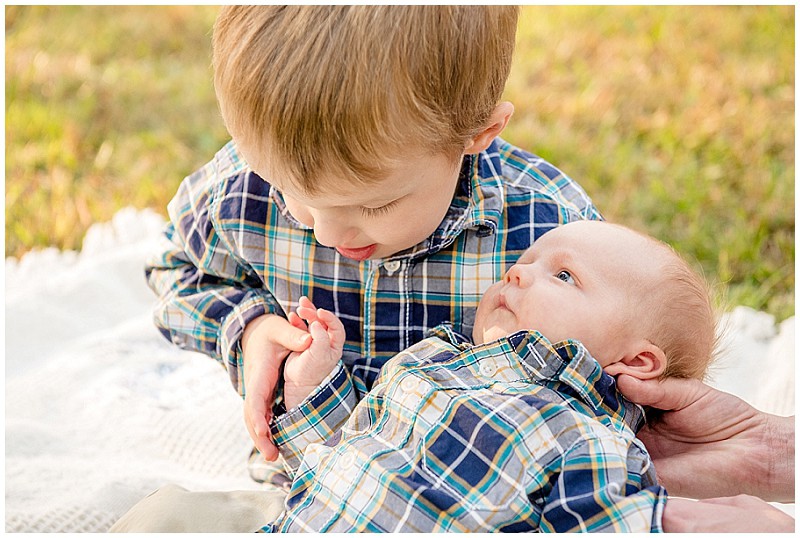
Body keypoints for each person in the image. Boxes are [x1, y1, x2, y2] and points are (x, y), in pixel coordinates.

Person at [143, 5, 600, 482]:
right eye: (291, 191)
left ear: (477, 133)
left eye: (374, 206)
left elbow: (623, 353)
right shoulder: (240, 189)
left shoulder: (548, 234)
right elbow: (177, 268)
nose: (326, 232)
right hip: (303, 491)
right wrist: (249, 330)